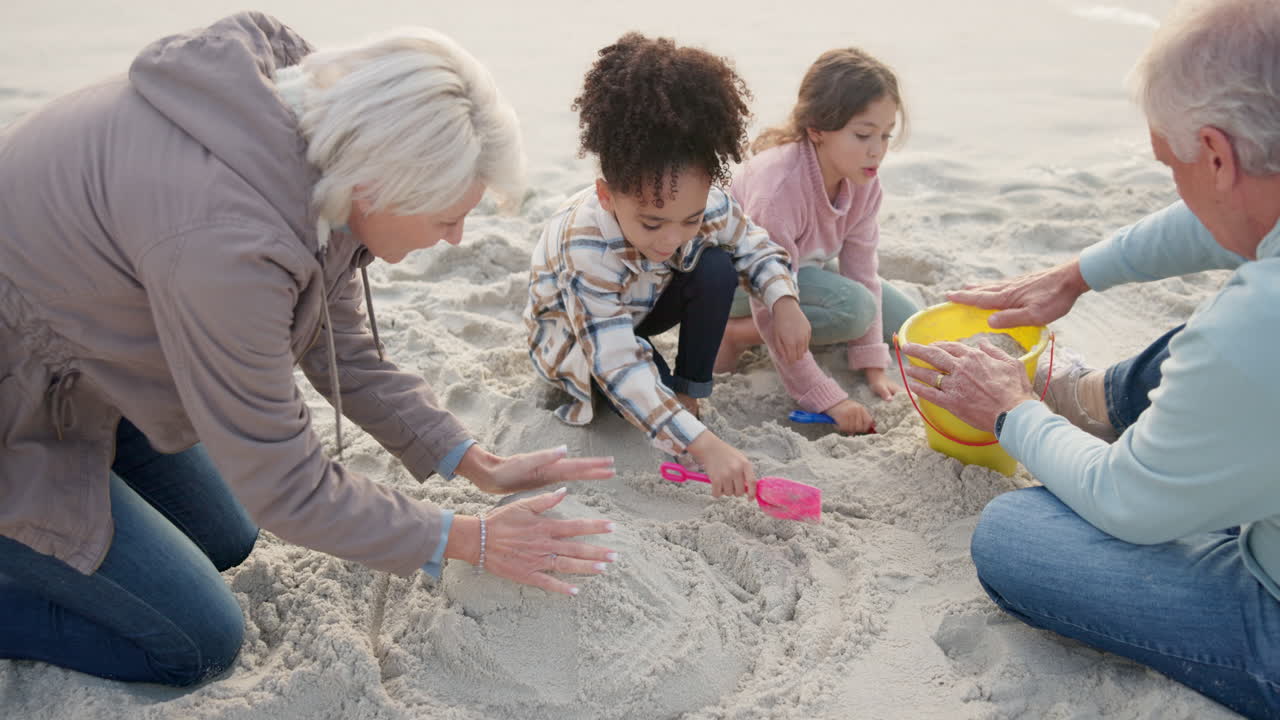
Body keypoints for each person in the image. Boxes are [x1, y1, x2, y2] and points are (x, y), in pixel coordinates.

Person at [0, 12, 617, 688]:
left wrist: (472, 461)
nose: (456, 239)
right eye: (447, 216)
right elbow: (287, 487)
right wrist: (471, 539)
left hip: (82, 364)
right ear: (379, 188)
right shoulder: (228, 245)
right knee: (195, 643)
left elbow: (337, 341)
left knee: (227, 537)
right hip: (18, 400)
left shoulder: (326, 137)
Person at [900, 0, 1280, 715]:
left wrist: (1010, 411)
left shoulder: (1255, 324)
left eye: (1172, 165)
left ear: (1216, 155)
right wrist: (1077, 274)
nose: (1177, 186)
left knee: (1015, 536)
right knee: (1201, 353)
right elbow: (1239, 215)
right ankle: (1096, 400)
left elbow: (1125, 503)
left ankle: (1099, 425)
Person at [524, 33, 810, 498]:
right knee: (642, 387)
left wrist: (783, 301)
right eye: (652, 223)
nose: (672, 238)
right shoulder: (585, 248)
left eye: (689, 220)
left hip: (644, 301)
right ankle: (676, 405)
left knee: (715, 266)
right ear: (606, 195)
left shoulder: (694, 204)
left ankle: (689, 392)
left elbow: (753, 243)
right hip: (581, 339)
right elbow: (618, 363)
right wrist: (704, 445)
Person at [714, 48, 921, 435]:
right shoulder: (778, 190)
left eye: (885, 135)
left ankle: (790, 330)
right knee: (856, 311)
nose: (877, 149)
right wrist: (827, 398)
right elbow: (770, 301)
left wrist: (873, 366)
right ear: (816, 130)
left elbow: (862, 271)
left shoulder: (863, 180)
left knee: (908, 322)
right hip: (737, 281)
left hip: (803, 265)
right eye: (863, 135)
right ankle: (734, 334)